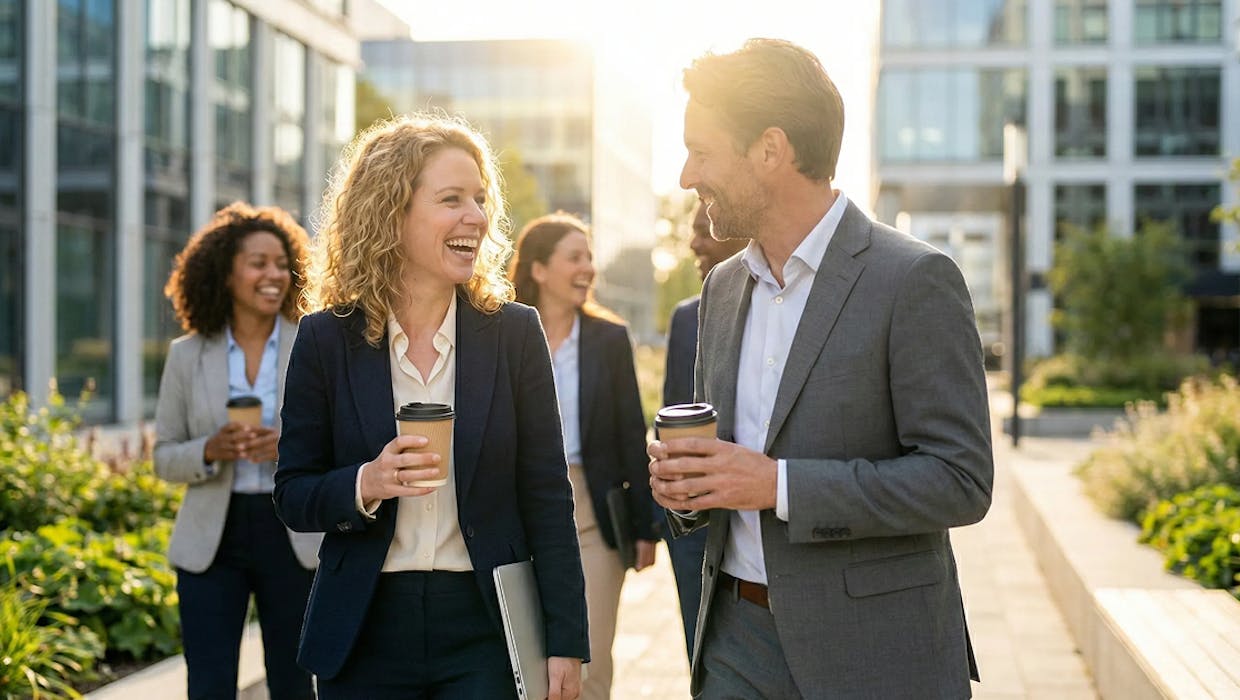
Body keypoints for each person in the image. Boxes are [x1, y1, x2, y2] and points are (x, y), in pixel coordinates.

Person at [648, 39, 994, 699]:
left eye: (701, 151)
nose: (688, 176)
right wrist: (686, 485)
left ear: (770, 151)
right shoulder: (721, 290)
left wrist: (777, 486)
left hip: (874, 650)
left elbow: (960, 480)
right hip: (732, 644)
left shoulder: (915, 280)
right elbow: (726, 472)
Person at [272, 114, 588, 699]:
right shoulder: (325, 338)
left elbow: (547, 494)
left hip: (485, 626)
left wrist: (566, 639)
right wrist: (368, 481)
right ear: (392, 212)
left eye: (479, 198)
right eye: (451, 199)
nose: (476, 216)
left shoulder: (514, 333)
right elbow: (293, 493)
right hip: (364, 626)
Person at [153, 202, 320, 700]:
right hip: (212, 540)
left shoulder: (313, 345)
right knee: (208, 685)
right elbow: (163, 456)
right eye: (258, 263)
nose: (274, 275)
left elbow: (342, 445)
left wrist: (287, 448)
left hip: (292, 534)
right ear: (226, 273)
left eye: (281, 263)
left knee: (295, 684)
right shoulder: (187, 355)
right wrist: (210, 448)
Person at [511, 212, 659, 700]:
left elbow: (629, 431)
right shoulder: (501, 335)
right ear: (538, 270)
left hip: (592, 509)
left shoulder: (608, 339)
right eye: (574, 257)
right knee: (524, 662)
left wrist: (643, 527)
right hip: (516, 509)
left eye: (590, 257)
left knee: (588, 663)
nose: (588, 268)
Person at [661, 202, 746, 660]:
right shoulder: (684, 318)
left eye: (705, 230)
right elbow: (672, 412)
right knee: (704, 663)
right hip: (696, 536)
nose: (695, 241)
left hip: (770, 536)